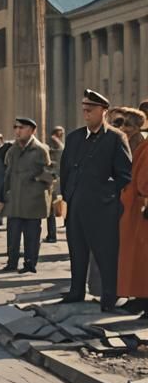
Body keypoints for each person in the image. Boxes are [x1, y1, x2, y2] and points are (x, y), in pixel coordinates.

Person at [59, 90, 133, 311]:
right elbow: (65, 171)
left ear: (104, 111)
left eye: (90, 110)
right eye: (84, 110)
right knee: (77, 250)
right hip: (76, 205)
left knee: (105, 253)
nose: (86, 114)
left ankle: (109, 295)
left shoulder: (115, 138)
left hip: (102, 208)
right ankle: (76, 291)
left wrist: (107, 196)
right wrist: (68, 196)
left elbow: (125, 175)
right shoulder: (74, 137)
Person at [0, 118, 53, 274]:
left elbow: (51, 174)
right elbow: (7, 174)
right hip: (15, 199)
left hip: (33, 200)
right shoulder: (12, 150)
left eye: (21, 128)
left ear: (32, 130)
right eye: (15, 127)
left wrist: (38, 178)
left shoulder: (41, 149)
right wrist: (2, 197)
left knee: (32, 235)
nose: (17, 131)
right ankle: (12, 262)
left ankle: (30, 263)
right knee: (13, 234)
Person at [114, 109, 147, 312]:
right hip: (135, 203)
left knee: (138, 256)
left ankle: (141, 298)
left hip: (138, 205)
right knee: (135, 256)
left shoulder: (142, 144)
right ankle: (139, 297)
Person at [45, 126, 65, 243]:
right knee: (51, 209)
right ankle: (51, 234)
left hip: (54, 179)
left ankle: (52, 235)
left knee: (51, 209)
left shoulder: (58, 146)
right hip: (54, 178)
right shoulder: (56, 145)